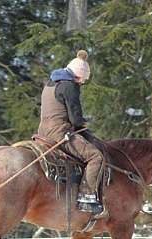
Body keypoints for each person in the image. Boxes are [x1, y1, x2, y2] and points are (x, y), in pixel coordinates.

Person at [37, 49, 105, 216]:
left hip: (42, 133)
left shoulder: (50, 83)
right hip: (59, 133)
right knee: (96, 157)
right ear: (79, 76)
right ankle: (86, 197)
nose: (82, 83)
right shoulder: (70, 86)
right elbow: (75, 119)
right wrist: (84, 126)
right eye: (83, 80)